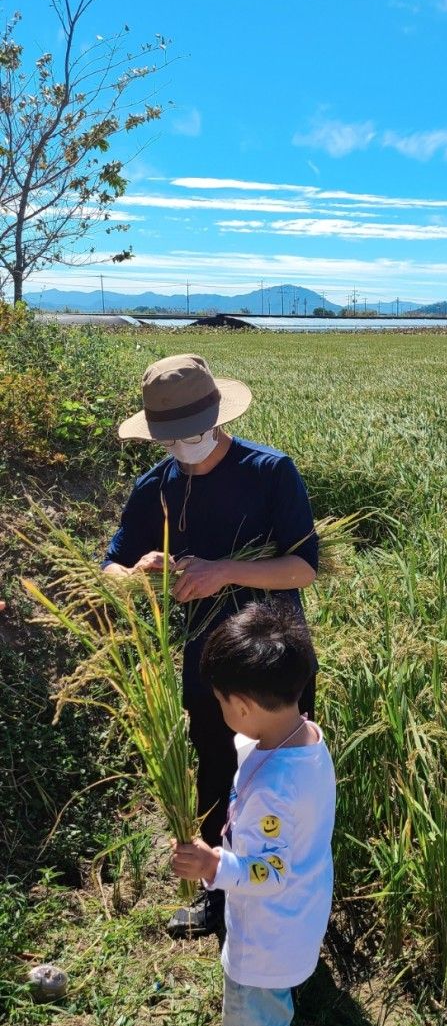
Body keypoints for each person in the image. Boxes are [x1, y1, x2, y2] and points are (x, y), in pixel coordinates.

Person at [103, 353, 318, 938]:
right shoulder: (155, 488)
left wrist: (224, 571)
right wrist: (142, 571)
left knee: (281, 777)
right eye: (170, 440)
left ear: (219, 416)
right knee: (216, 770)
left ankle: (292, 890)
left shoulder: (270, 472)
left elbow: (302, 568)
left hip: (274, 658)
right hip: (205, 665)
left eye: (193, 435)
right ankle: (221, 899)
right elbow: (110, 568)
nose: (184, 448)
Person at [170, 601, 346, 1026]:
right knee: (254, 1008)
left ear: (243, 706)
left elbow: (268, 872)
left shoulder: (275, 791)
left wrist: (213, 866)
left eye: (222, 703)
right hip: (295, 917)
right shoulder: (302, 736)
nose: (221, 710)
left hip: (269, 933)